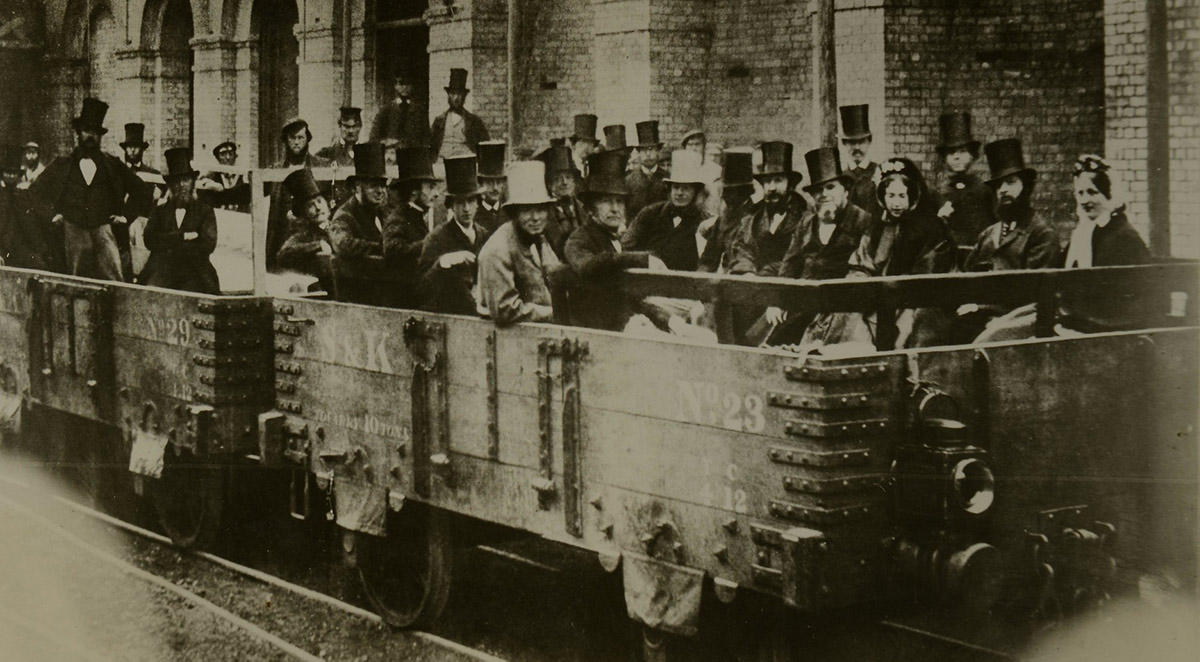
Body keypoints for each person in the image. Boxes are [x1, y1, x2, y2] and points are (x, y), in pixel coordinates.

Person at [977, 155, 1151, 341]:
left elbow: (1112, 297)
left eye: (1093, 192)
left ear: (1109, 195)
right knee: (995, 331)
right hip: (1072, 314)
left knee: (999, 338)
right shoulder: (1086, 232)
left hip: (1103, 325)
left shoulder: (1120, 236)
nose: (1085, 200)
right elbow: (1060, 272)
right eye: (1081, 193)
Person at [803, 157, 955, 350]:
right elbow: (860, 263)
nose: (896, 203)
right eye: (890, 196)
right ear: (882, 197)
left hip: (913, 300)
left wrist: (887, 291)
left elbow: (927, 273)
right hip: (874, 296)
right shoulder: (877, 228)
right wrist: (861, 284)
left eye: (902, 196)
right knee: (845, 312)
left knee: (905, 324)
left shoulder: (931, 228)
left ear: (913, 196)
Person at [28, 98, 151, 282]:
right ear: (79, 133)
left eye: (95, 132)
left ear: (100, 136)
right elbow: (34, 192)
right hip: (72, 228)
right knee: (75, 280)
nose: (90, 136)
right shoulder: (62, 164)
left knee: (113, 280)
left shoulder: (113, 164)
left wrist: (125, 216)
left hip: (104, 228)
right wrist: (52, 215)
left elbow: (142, 191)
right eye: (86, 131)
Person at [564, 148, 686, 333]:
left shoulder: (612, 238)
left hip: (620, 325)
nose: (615, 209)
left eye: (620, 202)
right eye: (606, 201)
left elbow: (626, 296)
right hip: (595, 332)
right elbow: (587, 267)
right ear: (590, 208)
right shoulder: (579, 240)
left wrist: (667, 320)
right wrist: (640, 259)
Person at [766, 147, 873, 345]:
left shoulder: (862, 221)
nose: (824, 195)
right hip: (804, 305)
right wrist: (778, 300)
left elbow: (864, 270)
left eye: (830, 187)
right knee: (769, 347)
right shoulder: (806, 223)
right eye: (817, 191)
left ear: (845, 190)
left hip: (842, 310)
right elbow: (789, 264)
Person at [478, 161, 565, 326]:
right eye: (527, 210)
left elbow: (554, 275)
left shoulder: (539, 240)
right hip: (510, 340)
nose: (535, 217)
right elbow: (505, 309)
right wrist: (554, 313)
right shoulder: (497, 251)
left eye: (540, 209)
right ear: (514, 213)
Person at [416, 154, 492, 315]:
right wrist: (443, 263)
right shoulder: (437, 238)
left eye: (471, 201)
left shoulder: (484, 235)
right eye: (460, 202)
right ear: (451, 205)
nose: (466, 208)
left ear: (478, 203)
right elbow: (421, 290)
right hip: (450, 318)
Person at [139, 148, 220, 294]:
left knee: (194, 299)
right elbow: (149, 239)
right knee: (151, 295)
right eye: (177, 181)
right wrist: (182, 236)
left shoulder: (204, 211)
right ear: (171, 185)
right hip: (162, 269)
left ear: (192, 182)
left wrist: (167, 242)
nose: (182, 185)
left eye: (186, 180)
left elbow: (208, 245)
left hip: (194, 270)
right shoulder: (160, 210)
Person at [623, 149, 708, 271]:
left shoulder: (704, 222)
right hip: (648, 280)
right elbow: (627, 246)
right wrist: (647, 259)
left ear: (695, 192)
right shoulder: (650, 213)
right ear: (670, 189)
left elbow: (707, 261)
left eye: (686, 188)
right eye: (676, 187)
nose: (679, 193)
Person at [328, 143, 391, 305]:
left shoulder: (384, 213)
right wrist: (380, 247)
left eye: (383, 185)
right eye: (373, 185)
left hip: (384, 293)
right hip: (358, 299)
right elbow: (342, 244)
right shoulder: (345, 216)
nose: (380, 191)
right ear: (357, 187)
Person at [265, 118, 332, 271]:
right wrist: (220, 191)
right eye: (292, 138)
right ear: (286, 140)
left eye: (300, 137)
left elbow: (333, 197)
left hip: (310, 237)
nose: (296, 142)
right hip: (282, 235)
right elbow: (250, 189)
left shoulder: (322, 166)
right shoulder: (276, 170)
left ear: (307, 139)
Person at [383, 146, 441, 308]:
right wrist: (431, 242)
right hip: (403, 302)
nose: (436, 194)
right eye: (430, 187)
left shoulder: (415, 217)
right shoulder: (398, 219)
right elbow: (392, 250)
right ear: (414, 191)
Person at [934, 112, 994, 252]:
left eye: (962, 151)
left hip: (979, 254)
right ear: (945, 158)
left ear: (972, 155)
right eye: (951, 152)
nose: (956, 157)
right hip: (949, 257)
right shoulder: (937, 192)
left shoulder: (984, 190)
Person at [276, 168, 334, 292]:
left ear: (327, 204)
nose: (318, 208)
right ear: (305, 213)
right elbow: (283, 255)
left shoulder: (340, 226)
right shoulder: (304, 235)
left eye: (319, 201)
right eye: (310, 205)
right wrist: (318, 245)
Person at [698, 149, 755, 273]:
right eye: (723, 190)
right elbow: (708, 259)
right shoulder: (723, 219)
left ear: (744, 192)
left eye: (729, 191)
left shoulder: (756, 217)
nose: (723, 196)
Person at [539, 143, 587, 260]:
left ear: (574, 182)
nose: (564, 182)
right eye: (558, 178)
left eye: (568, 177)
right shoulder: (543, 214)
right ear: (549, 184)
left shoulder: (584, 208)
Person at [430, 68, 490, 160]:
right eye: (453, 94)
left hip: (465, 163)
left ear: (464, 96)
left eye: (459, 94)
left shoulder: (474, 121)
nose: (456, 98)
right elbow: (431, 146)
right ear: (448, 95)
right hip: (442, 163)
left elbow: (485, 146)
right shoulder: (439, 121)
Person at [839, 104, 882, 220]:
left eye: (861, 141)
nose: (857, 147)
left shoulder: (880, 172)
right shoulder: (840, 177)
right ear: (844, 144)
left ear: (869, 142)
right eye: (852, 142)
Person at [625, 120, 669, 218]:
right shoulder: (629, 180)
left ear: (658, 151)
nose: (648, 154)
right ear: (639, 153)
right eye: (644, 150)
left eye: (652, 149)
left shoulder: (668, 178)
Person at [370, 76, 426, 149]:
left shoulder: (419, 111)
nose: (405, 87)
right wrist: (385, 142)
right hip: (390, 154)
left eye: (408, 84)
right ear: (396, 86)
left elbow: (425, 138)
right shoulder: (386, 110)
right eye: (401, 84)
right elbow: (373, 137)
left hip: (411, 154)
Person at [196, 141, 251, 212]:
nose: (228, 158)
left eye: (231, 154)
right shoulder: (211, 176)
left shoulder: (243, 176)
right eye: (223, 154)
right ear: (217, 158)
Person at [475, 140, 507, 234]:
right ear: (480, 184)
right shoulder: (473, 216)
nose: (495, 187)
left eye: (499, 182)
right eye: (489, 182)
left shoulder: (509, 214)